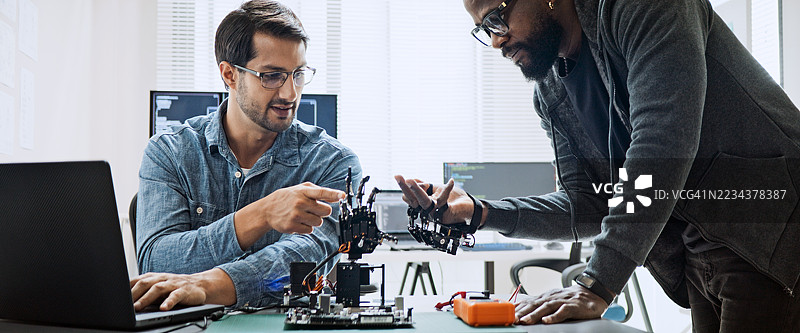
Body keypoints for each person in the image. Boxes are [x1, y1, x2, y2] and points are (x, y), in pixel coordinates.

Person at [397, 0, 800, 330]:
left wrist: (598, 282)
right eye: (484, 29)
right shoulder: (552, 91)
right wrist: (482, 212)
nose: (497, 41)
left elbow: (662, 145)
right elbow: (586, 205)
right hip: (699, 253)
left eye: (498, 18)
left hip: (767, 229)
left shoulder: (645, 8)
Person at [130, 0, 361, 311]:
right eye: (272, 76)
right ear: (230, 74)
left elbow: (304, 260)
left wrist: (209, 285)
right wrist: (262, 214)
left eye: (298, 74)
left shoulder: (333, 163)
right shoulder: (169, 152)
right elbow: (158, 259)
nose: (290, 93)